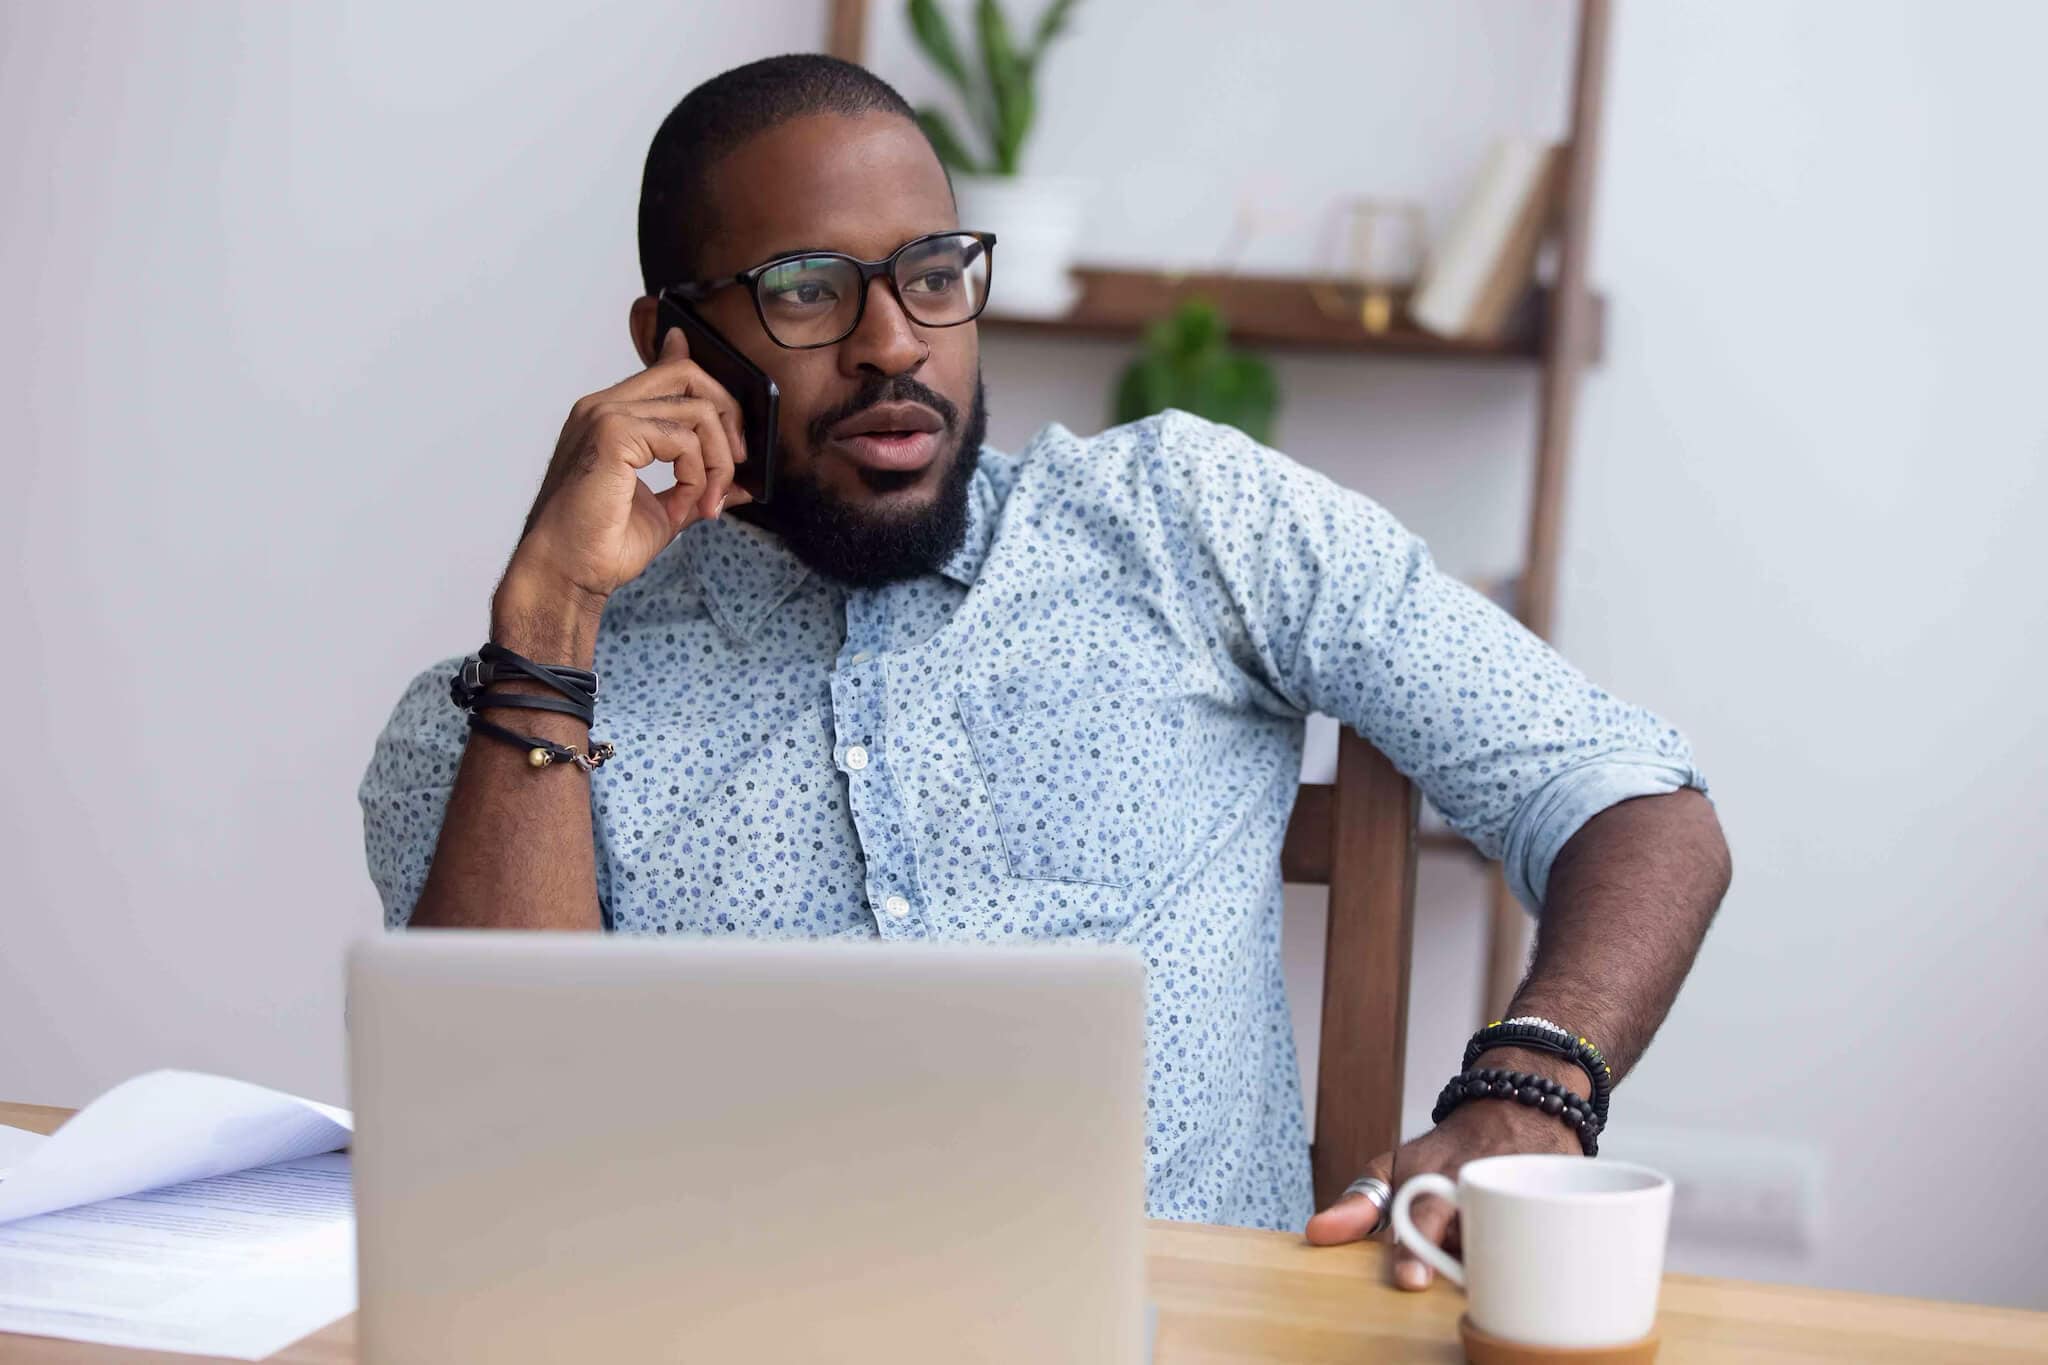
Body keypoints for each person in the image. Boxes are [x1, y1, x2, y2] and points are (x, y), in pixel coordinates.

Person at [359, 53, 1731, 1289]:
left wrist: (1536, 1085)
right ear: (671, 339)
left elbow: (1632, 799)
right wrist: (549, 617)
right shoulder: (515, 705)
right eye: (808, 290)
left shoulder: (1186, 522)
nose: (895, 341)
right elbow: (489, 1162)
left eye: (932, 274)